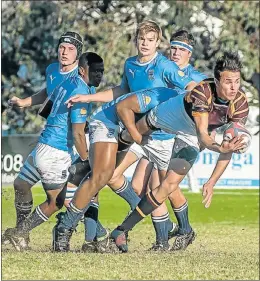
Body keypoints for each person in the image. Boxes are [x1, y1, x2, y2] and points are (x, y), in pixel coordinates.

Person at [65, 21, 198, 249]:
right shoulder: (130, 64)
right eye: (141, 39)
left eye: (150, 40)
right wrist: (87, 98)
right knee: (111, 175)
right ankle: (137, 224)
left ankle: (169, 234)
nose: (145, 44)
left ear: (158, 43)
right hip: (137, 131)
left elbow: (193, 86)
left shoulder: (165, 67)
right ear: (136, 41)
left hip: (161, 135)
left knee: (164, 187)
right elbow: (121, 91)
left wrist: (197, 102)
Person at [110, 51, 249, 252]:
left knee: (168, 185)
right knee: (132, 135)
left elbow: (228, 147)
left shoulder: (240, 103)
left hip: (191, 135)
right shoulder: (203, 92)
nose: (234, 87)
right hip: (172, 116)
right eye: (228, 82)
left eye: (237, 81)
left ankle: (121, 231)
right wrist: (220, 147)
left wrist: (211, 182)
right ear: (217, 81)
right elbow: (204, 135)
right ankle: (101, 158)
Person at [52, 86, 183, 252]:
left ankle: (95, 235)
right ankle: (63, 228)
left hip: (125, 130)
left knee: (106, 176)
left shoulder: (188, 108)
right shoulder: (166, 98)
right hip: (108, 122)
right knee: (101, 177)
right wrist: (136, 136)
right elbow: (122, 107)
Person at [2, 51, 95, 252]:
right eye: (62, 47)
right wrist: (87, 159)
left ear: (78, 57)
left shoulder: (73, 82)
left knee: (21, 183)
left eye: (69, 49)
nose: (63, 52)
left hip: (45, 144)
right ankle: (20, 234)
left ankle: (92, 235)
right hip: (57, 149)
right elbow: (75, 128)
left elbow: (51, 106)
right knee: (58, 201)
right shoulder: (59, 75)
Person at [63, 52, 109, 253]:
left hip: (56, 144)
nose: (100, 76)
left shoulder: (78, 86)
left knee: (90, 190)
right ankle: (95, 233)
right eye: (96, 71)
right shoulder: (81, 89)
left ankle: (92, 238)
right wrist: (85, 159)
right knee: (62, 197)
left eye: (102, 72)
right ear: (83, 70)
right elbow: (77, 133)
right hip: (62, 148)